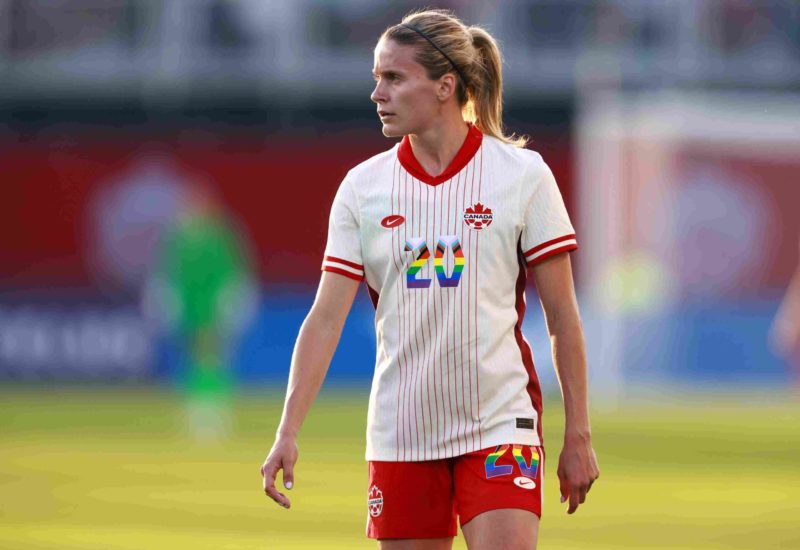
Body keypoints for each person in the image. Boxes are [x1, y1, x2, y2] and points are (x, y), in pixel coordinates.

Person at [261, 9, 599, 549]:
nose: (377, 92)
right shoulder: (361, 189)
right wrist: (287, 430)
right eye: (376, 77)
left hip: (499, 425)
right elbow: (325, 319)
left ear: (445, 86)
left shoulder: (523, 175)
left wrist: (577, 434)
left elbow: (561, 317)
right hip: (401, 433)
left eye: (394, 78)